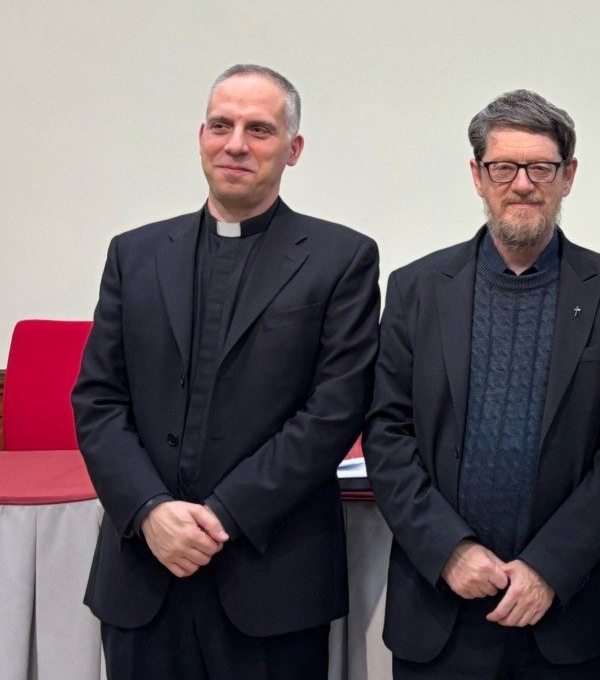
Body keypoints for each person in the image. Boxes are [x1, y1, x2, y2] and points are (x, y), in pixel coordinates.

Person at [71, 64, 380, 679]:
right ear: (201, 135)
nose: (235, 143)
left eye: (259, 129)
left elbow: (333, 411)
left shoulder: (341, 259)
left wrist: (223, 516)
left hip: (272, 575)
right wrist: (150, 510)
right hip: (143, 571)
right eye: (221, 125)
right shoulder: (134, 254)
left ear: (293, 150)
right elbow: (99, 400)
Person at [364, 89, 600, 679]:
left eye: (540, 167)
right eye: (503, 167)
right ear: (477, 175)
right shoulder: (416, 289)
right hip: (439, 605)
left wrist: (550, 566)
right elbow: (386, 433)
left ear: (567, 176)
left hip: (563, 609)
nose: (522, 183)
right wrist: (450, 551)